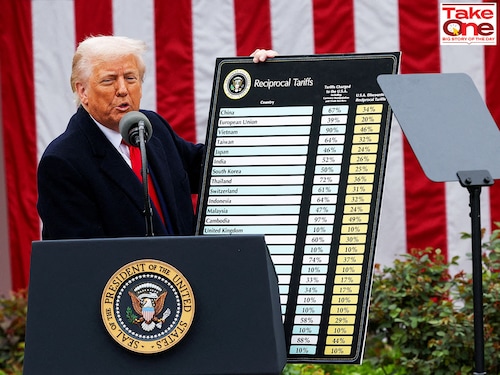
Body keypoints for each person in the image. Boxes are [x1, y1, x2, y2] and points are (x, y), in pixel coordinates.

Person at [37, 35, 277, 240]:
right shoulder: (63, 161)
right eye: (109, 80)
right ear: (82, 91)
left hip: (190, 281)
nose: (122, 89)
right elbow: (79, 260)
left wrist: (258, 87)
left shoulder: (152, 127)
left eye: (130, 78)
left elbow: (213, 169)